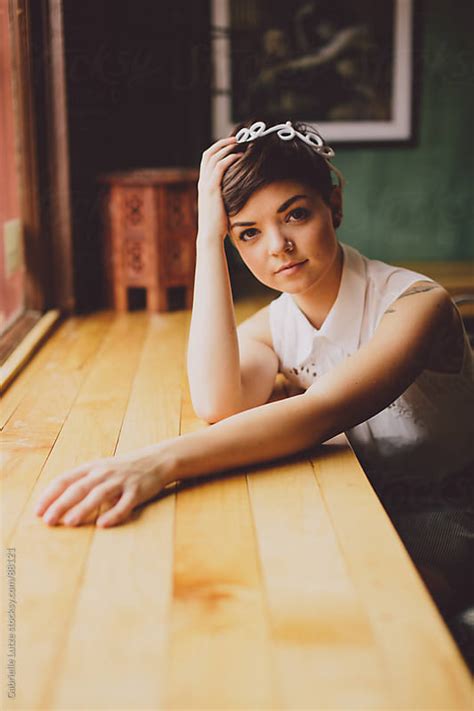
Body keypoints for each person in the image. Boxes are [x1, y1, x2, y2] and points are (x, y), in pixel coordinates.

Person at [34, 118, 473, 668]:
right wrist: (205, 240)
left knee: (380, 636)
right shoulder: (275, 324)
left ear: (332, 204)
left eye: (296, 214)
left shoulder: (416, 305)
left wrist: (154, 463)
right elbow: (218, 402)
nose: (278, 247)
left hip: (445, 508)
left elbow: (320, 411)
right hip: (352, 496)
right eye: (248, 233)